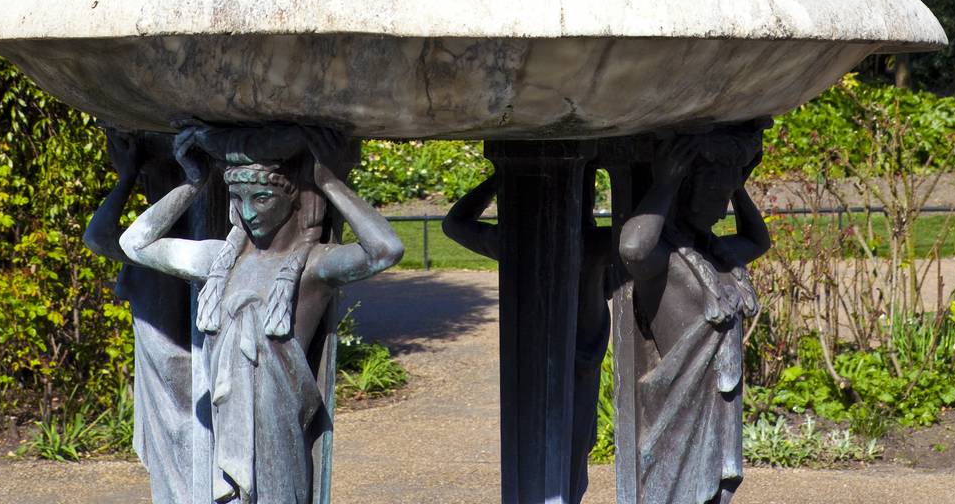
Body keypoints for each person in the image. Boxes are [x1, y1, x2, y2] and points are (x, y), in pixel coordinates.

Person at [119, 125, 403, 504]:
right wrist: (193, 182)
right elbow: (134, 243)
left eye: (263, 197)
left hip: (278, 444)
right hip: (225, 440)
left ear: (294, 199)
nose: (249, 211)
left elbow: (386, 249)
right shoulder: (219, 261)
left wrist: (331, 183)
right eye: (238, 197)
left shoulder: (311, 267)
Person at [443, 164, 613, 503]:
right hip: (579, 357)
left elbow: (454, 223)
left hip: (536, 357)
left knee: (543, 442)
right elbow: (646, 236)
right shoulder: (594, 242)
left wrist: (499, 180)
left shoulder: (516, 241)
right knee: (574, 446)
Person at [617, 129, 771, 504]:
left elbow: (758, 240)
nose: (722, 209)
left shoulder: (717, 255)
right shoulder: (668, 261)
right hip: (676, 416)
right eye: (714, 196)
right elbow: (634, 249)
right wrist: (666, 183)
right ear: (686, 191)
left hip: (715, 411)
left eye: (725, 197)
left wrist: (736, 185)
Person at [84, 128, 197, 504]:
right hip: (172, 385)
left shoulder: (154, 252)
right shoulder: (166, 247)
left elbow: (97, 237)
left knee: (184, 470)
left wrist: (126, 176)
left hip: (176, 388)